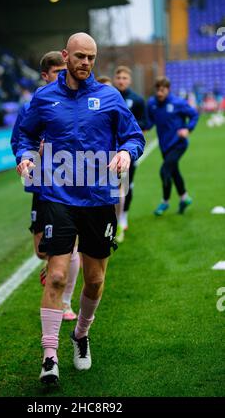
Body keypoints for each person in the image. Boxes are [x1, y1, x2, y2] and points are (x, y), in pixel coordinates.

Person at [16, 33, 145, 384]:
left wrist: (125, 152)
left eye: (91, 57)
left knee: (95, 279)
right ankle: (49, 356)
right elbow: (24, 137)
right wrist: (25, 157)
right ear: (65, 56)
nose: (86, 62)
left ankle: (81, 335)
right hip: (57, 197)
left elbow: (134, 137)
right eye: (79, 56)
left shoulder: (109, 97)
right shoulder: (44, 98)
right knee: (56, 275)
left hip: (99, 200)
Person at [11, 51, 80, 322]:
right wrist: (29, 157)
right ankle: (52, 271)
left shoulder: (74, 101)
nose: (62, 76)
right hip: (40, 186)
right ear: (45, 75)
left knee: (69, 247)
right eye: (56, 72)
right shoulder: (31, 107)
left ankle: (64, 300)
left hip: (65, 185)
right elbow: (19, 141)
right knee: (42, 250)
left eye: (65, 70)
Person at [147, 76, 199, 216]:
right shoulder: (152, 103)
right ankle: (184, 197)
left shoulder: (178, 102)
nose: (159, 93)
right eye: (157, 89)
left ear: (168, 90)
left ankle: (165, 202)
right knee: (174, 172)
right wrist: (141, 128)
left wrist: (188, 129)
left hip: (178, 144)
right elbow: (150, 122)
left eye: (162, 90)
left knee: (164, 171)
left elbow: (194, 115)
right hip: (164, 145)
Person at [113, 66, 147, 241]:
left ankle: (123, 216)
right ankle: (112, 218)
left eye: (125, 77)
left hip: (128, 148)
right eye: (118, 77)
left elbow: (145, 122)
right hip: (109, 149)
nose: (121, 80)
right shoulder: (109, 97)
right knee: (111, 185)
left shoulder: (137, 100)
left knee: (126, 184)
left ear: (130, 80)